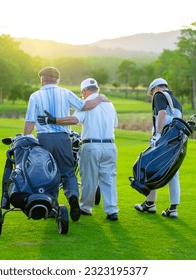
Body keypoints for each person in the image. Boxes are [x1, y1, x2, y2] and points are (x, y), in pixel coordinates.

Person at [24, 67, 108, 222]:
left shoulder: (35, 96)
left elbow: (30, 120)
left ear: (42, 79)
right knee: (68, 172)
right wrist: (99, 98)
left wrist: (26, 138)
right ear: (57, 79)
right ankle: (73, 198)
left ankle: (52, 206)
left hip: (43, 140)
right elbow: (85, 106)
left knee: (48, 173)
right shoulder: (65, 92)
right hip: (63, 139)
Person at [38, 78, 119, 221]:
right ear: (97, 89)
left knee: (89, 179)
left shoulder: (86, 105)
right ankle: (112, 211)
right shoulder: (109, 104)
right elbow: (115, 124)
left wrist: (53, 120)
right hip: (110, 146)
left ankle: (85, 208)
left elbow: (75, 120)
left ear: (84, 91)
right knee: (109, 178)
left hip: (91, 145)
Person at [134, 78, 183, 219]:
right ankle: (172, 209)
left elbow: (162, 114)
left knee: (150, 168)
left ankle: (149, 203)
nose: (152, 96)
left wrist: (157, 135)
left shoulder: (159, 95)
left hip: (163, 139)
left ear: (155, 88)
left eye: (151, 93)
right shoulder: (177, 101)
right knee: (173, 172)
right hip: (175, 142)